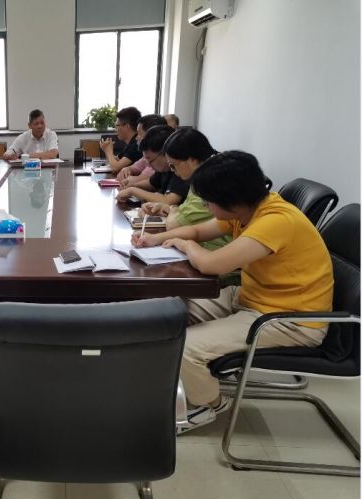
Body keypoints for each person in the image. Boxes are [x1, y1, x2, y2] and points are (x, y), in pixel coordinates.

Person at [131, 151, 332, 432]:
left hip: (289, 320)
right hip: (252, 299)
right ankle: (174, 381)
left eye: (208, 201)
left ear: (231, 201)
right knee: (171, 310)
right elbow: (198, 232)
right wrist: (155, 239)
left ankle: (210, 405)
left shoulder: (275, 221)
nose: (206, 205)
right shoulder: (248, 209)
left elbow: (211, 264)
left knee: (187, 347)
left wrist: (185, 245)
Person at [138, 127, 230, 251]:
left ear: (192, 159)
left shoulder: (210, 180)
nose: (172, 170)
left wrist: (173, 209)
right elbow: (194, 229)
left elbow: (174, 225)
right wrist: (170, 209)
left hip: (215, 250)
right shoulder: (202, 174)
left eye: (173, 165)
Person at [116, 125, 189, 205]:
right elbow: (151, 183)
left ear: (165, 152)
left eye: (150, 160)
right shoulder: (163, 169)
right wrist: (132, 186)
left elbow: (168, 201)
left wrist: (132, 191)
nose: (148, 164)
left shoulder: (181, 169)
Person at [117, 114, 168, 187]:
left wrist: (108, 150)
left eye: (139, 134)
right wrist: (126, 169)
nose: (136, 138)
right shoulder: (147, 154)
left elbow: (116, 168)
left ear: (151, 134)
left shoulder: (158, 158)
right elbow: (132, 168)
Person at [100, 106, 142, 173]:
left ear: (127, 126)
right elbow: (114, 161)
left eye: (117, 126)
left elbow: (115, 168)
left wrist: (108, 151)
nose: (115, 130)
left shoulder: (136, 144)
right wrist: (106, 149)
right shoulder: (131, 143)